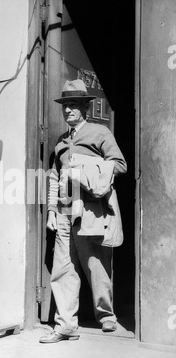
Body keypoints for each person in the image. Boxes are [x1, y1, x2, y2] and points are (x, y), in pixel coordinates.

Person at [40, 79, 127, 344]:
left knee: (96, 264)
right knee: (63, 268)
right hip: (66, 210)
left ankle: (106, 314)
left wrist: (85, 169)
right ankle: (66, 325)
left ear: (85, 108)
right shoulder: (61, 141)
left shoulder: (99, 133)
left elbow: (120, 165)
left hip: (93, 210)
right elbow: (54, 177)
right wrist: (52, 211)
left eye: (74, 105)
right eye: (66, 106)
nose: (68, 111)